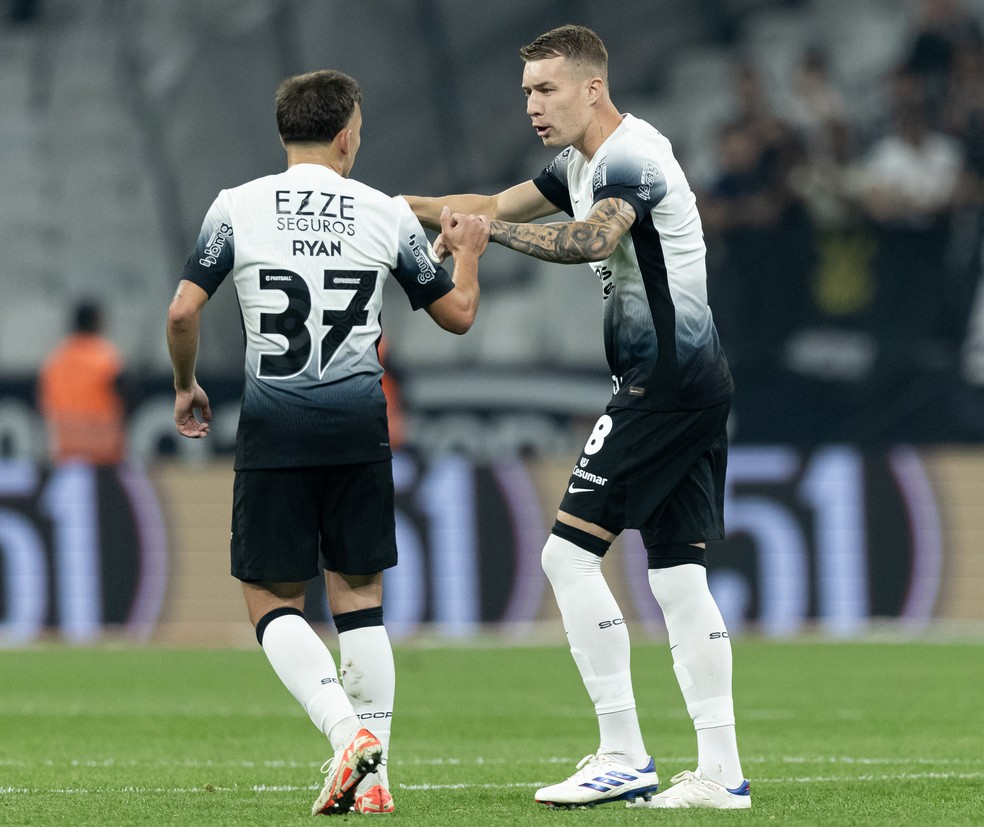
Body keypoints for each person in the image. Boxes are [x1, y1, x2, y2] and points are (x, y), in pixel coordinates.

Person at [405, 25, 749, 810]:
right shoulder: (578, 162)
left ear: (593, 87)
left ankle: (623, 752)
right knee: (678, 576)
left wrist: (490, 235)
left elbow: (588, 238)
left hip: (663, 385)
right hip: (694, 381)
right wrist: (392, 210)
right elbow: (484, 204)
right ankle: (722, 773)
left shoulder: (633, 155)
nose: (531, 104)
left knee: (567, 558)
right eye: (526, 90)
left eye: (546, 88)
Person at [166, 69, 488, 816]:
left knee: (270, 598)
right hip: (357, 428)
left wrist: (186, 384)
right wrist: (466, 248)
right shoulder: (382, 211)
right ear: (347, 135)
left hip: (274, 429)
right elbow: (459, 314)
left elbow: (183, 310)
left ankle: (346, 737)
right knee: (360, 598)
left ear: (286, 132)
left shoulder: (236, 207)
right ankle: (373, 776)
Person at [38, 300, 127, 465]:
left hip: (64, 450)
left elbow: (43, 400)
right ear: (97, 320)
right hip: (103, 452)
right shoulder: (107, 356)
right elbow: (125, 397)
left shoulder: (56, 356)